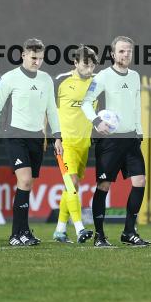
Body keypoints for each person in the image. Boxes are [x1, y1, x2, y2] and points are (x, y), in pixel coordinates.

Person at [0, 38, 63, 246]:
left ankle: (23, 232)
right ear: (23, 55)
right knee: (25, 180)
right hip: (14, 135)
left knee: (26, 185)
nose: (36, 61)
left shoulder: (46, 79)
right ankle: (15, 235)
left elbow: (52, 110)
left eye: (40, 58)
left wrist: (57, 136)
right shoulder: (10, 78)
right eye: (33, 57)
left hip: (36, 137)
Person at [81, 35, 149, 247]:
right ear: (112, 54)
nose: (125, 54)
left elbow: (136, 105)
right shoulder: (102, 77)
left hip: (131, 139)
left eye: (128, 51)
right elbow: (85, 103)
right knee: (104, 185)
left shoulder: (135, 76)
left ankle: (129, 231)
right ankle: (99, 236)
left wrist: (139, 130)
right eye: (121, 51)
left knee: (140, 182)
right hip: (109, 141)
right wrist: (96, 121)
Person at [50, 45, 97, 244]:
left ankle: (60, 230)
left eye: (93, 64)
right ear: (75, 63)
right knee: (71, 183)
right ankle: (79, 228)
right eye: (85, 64)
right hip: (66, 142)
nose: (90, 68)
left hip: (84, 143)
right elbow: (49, 110)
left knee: (73, 185)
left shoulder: (98, 83)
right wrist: (54, 137)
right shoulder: (61, 81)